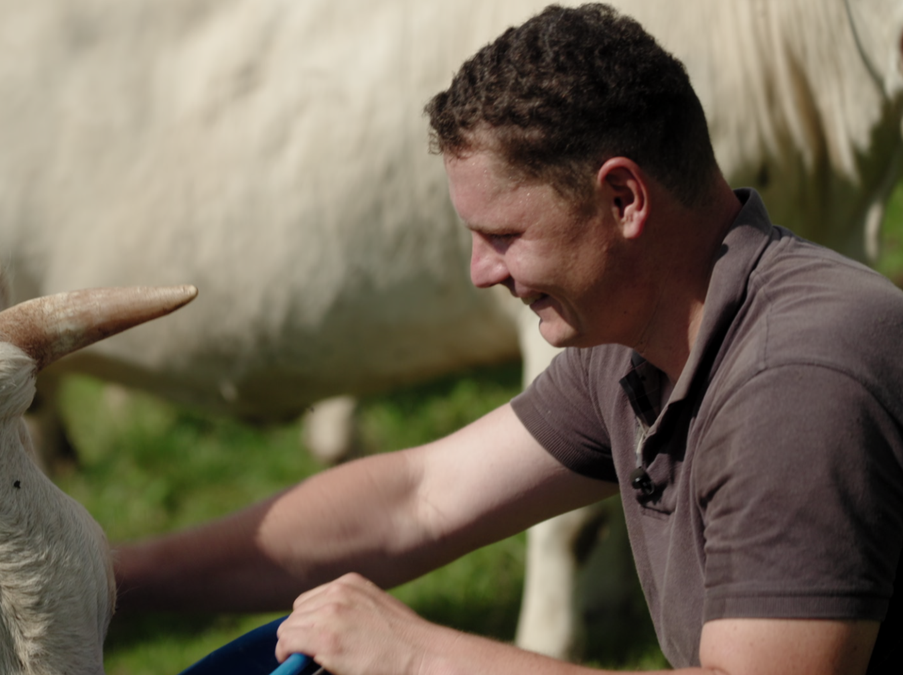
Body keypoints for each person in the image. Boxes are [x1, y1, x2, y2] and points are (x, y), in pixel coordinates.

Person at [113, 4, 903, 673]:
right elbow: (416, 499)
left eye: (503, 234)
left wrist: (419, 654)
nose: (480, 272)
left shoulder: (795, 379)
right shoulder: (639, 345)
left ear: (624, 198)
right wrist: (109, 579)